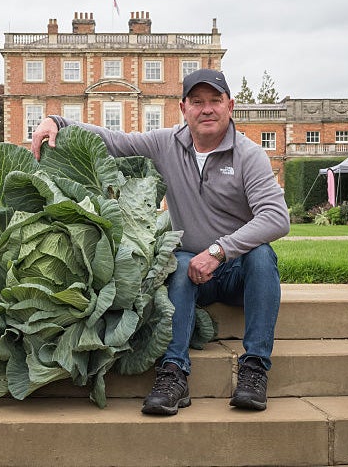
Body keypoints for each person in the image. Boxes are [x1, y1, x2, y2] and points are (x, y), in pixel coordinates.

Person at [30, 68, 290, 416]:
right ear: (183, 108)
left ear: (231, 105)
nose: (207, 109)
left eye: (215, 101)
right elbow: (115, 141)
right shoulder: (167, 144)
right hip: (192, 270)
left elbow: (276, 218)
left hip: (237, 271)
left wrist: (218, 251)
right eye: (197, 102)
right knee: (179, 262)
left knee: (262, 255)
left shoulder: (250, 156)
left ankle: (255, 368)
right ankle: (173, 374)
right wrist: (57, 121)